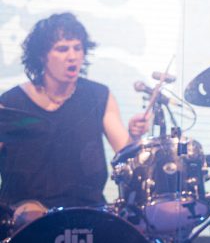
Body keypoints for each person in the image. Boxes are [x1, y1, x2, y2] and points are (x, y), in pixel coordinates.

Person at [0, 12, 149, 227]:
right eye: (62, 49)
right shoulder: (12, 102)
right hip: (25, 217)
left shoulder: (98, 96)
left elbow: (126, 156)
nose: (72, 56)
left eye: (77, 48)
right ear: (42, 56)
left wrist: (134, 135)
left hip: (87, 212)